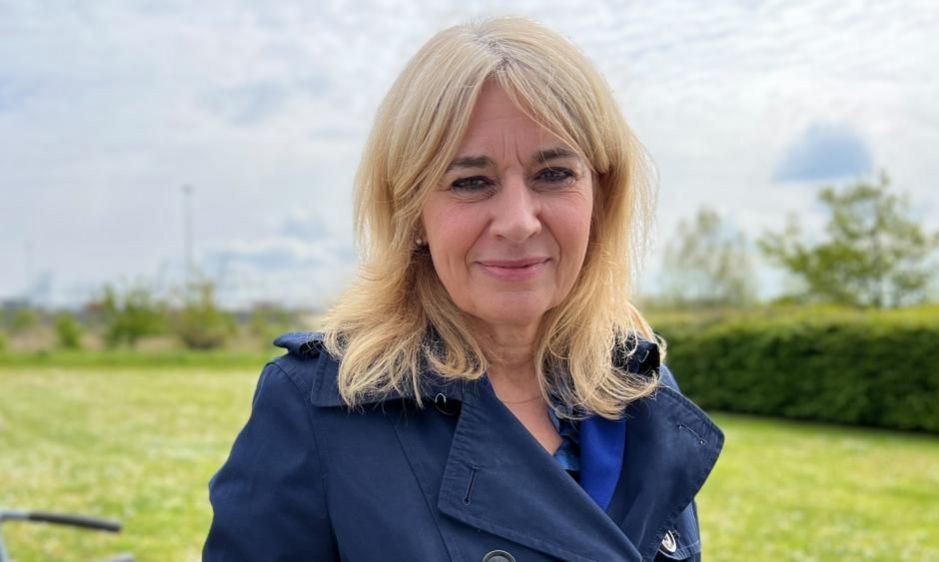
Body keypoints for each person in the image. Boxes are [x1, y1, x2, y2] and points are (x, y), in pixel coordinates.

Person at [203, 16, 723, 562]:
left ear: (601, 195)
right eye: (471, 182)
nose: (519, 221)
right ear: (414, 215)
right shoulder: (320, 408)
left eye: (554, 174)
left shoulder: (639, 387)